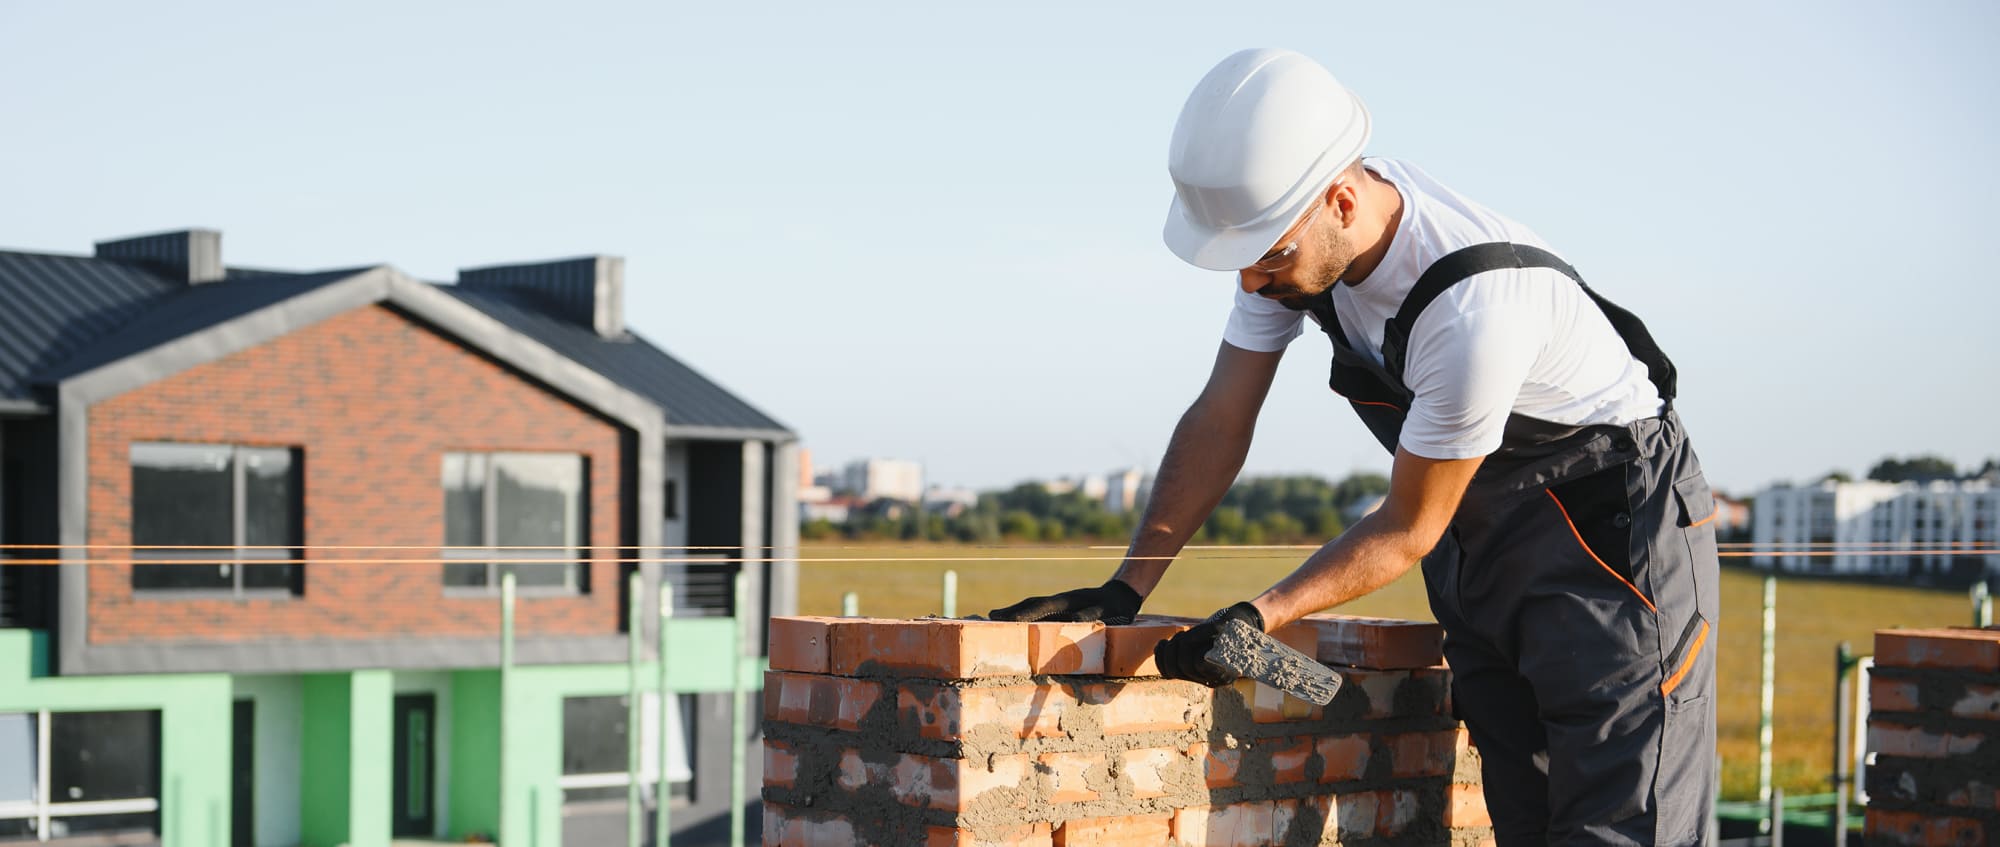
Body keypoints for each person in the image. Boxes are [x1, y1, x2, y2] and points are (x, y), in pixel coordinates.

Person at [990, 47, 1720, 846]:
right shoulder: (1296, 247)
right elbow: (1222, 416)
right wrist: (1128, 585)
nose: (1251, 285)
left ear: (1342, 199)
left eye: (1266, 259)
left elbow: (1408, 524)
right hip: (1477, 540)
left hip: (1608, 542)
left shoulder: (1471, 309)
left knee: (1621, 821)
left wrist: (1260, 614)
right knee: (1526, 810)